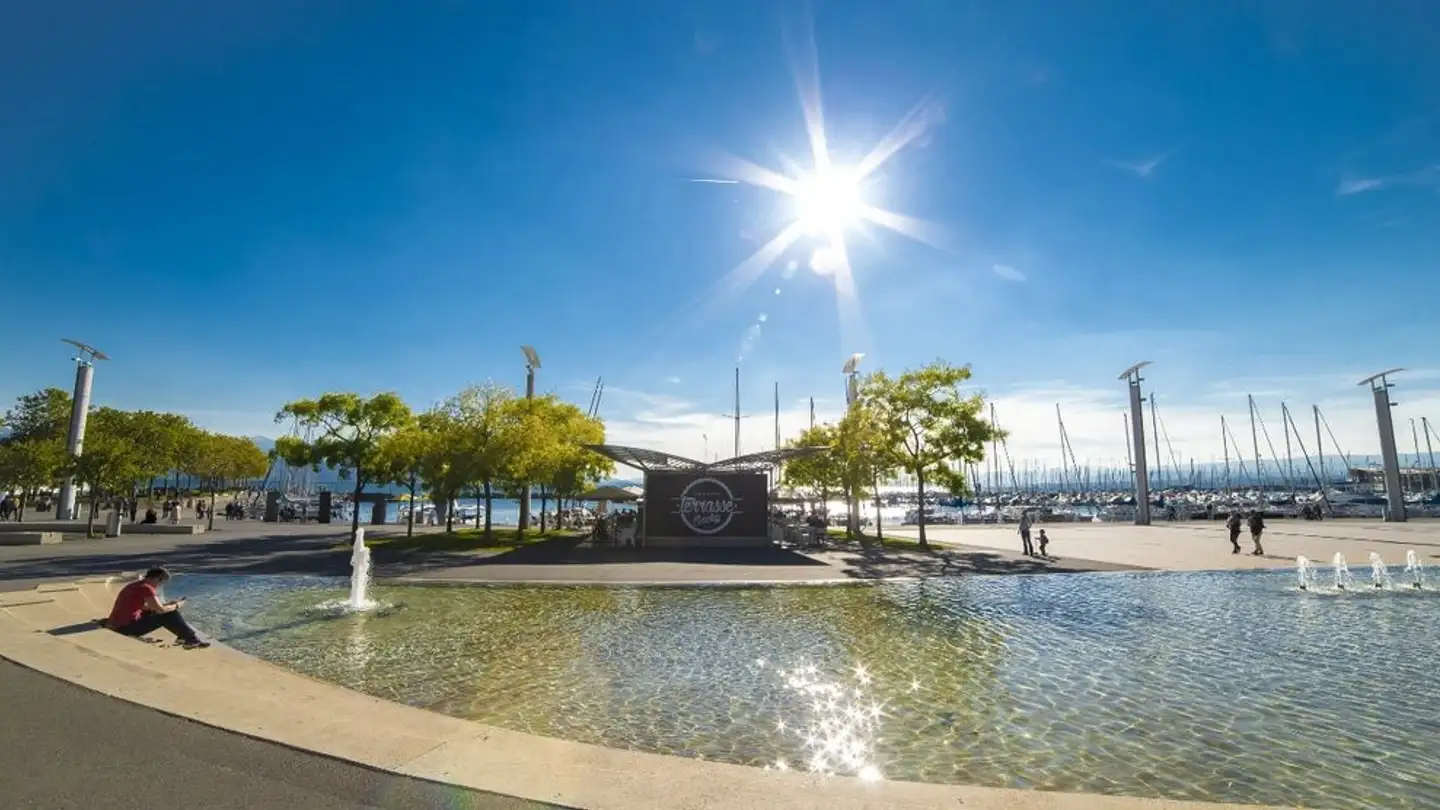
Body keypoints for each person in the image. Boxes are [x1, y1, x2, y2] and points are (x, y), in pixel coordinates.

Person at [104, 567, 209, 649]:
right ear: (156, 578)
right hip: (125, 628)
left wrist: (167, 605)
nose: (159, 586)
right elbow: (161, 611)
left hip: (117, 624)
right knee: (169, 614)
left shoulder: (136, 585)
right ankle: (191, 640)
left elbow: (145, 607)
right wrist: (177, 605)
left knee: (165, 611)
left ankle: (183, 637)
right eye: (161, 582)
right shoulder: (146, 588)